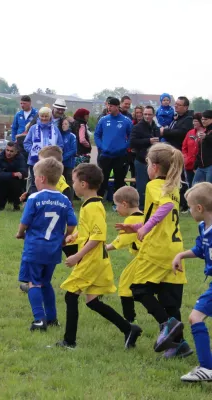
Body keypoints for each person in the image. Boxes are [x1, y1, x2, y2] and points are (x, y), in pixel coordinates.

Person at [115, 143, 191, 358]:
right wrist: (137, 226)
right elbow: (163, 217)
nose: (147, 167)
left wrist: (146, 227)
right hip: (174, 249)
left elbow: (165, 208)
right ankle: (180, 346)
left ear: (155, 167)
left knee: (138, 288)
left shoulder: (155, 185)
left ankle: (167, 326)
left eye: (147, 163)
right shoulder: (173, 186)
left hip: (157, 249)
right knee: (169, 299)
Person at [57, 163, 142, 349]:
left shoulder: (93, 207)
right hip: (96, 259)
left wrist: (77, 256)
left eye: (74, 181)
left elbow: (98, 237)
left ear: (84, 184)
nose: (73, 185)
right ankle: (129, 329)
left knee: (71, 296)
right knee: (92, 301)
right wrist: (74, 235)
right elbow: (90, 231)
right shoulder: (91, 204)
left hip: (91, 260)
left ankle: (69, 342)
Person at [16, 157, 77, 331]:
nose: (34, 180)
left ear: (41, 178)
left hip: (35, 247)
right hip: (53, 249)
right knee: (46, 282)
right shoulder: (65, 200)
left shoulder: (34, 198)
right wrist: (65, 237)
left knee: (33, 282)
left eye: (35, 176)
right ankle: (52, 318)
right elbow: (72, 224)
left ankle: (39, 320)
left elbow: (25, 222)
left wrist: (20, 233)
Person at [172, 182, 212, 382]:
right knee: (196, 317)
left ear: (199, 208)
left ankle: (207, 368)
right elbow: (200, 250)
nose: (188, 210)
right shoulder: (202, 226)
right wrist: (180, 255)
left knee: (195, 317)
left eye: (188, 207)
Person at [105, 186, 144, 323]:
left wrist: (104, 248)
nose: (116, 209)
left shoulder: (131, 221)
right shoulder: (144, 216)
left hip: (143, 258)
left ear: (124, 204)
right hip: (148, 256)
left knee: (124, 285)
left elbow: (121, 241)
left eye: (116, 206)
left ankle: (129, 321)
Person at [94, 97, 133, 198]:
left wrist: (124, 147)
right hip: (105, 155)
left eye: (111, 106)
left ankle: (118, 202)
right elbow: (97, 135)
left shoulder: (126, 121)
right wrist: (101, 146)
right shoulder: (103, 120)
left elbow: (131, 136)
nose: (108, 107)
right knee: (102, 179)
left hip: (120, 156)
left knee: (119, 180)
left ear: (117, 106)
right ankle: (99, 199)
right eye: (107, 105)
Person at [23, 107, 64, 195]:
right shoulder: (33, 128)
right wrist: (33, 152)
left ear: (50, 117)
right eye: (42, 116)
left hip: (51, 162)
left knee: (49, 182)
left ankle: (48, 201)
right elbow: (26, 143)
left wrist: (54, 155)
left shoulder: (55, 129)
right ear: (39, 116)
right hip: (35, 161)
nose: (44, 118)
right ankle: (34, 202)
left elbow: (60, 144)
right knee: (35, 183)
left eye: (46, 116)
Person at [130, 105, 160, 209]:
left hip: (154, 161)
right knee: (142, 186)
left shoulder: (156, 128)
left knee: (154, 185)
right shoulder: (137, 127)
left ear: (153, 115)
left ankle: (153, 206)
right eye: (145, 114)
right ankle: (141, 207)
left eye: (149, 114)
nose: (147, 116)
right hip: (141, 161)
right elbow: (132, 142)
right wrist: (148, 141)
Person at [0, 142, 27, 211]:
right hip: (2, 183)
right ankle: (1, 205)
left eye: (11, 151)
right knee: (1, 182)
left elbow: (24, 172)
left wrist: (13, 175)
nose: (8, 153)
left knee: (18, 182)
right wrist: (13, 174)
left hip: (16, 183)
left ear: (16, 152)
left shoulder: (21, 157)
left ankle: (16, 205)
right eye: (7, 150)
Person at [182, 112, 203, 189]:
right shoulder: (190, 133)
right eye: (193, 121)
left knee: (199, 187)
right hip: (189, 164)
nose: (194, 123)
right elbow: (184, 147)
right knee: (190, 186)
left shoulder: (206, 133)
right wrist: (185, 157)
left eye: (196, 121)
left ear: (201, 121)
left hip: (200, 166)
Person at [192, 110, 212, 186]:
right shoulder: (206, 131)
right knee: (194, 188)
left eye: (205, 119)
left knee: (208, 190)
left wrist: (206, 137)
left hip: (210, 166)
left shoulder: (206, 133)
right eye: (202, 119)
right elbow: (200, 150)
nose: (203, 121)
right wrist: (196, 164)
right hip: (201, 166)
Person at [60, 118, 77, 199]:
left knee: (69, 182)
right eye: (63, 124)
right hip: (61, 163)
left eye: (66, 124)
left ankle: (69, 200)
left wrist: (63, 157)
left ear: (69, 125)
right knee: (61, 182)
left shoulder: (72, 136)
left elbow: (74, 150)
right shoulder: (60, 135)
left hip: (69, 163)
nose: (64, 125)